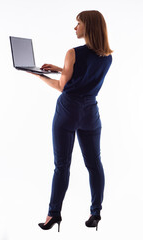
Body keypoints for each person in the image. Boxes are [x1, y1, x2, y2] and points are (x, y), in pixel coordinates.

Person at [27, 10, 113, 232]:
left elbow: (62, 87)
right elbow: (84, 76)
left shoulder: (73, 53)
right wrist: (59, 69)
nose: (75, 28)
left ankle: (53, 214)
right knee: (94, 164)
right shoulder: (107, 56)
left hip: (68, 111)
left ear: (88, 27)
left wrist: (39, 75)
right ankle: (96, 213)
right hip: (91, 113)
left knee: (62, 166)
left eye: (78, 23)